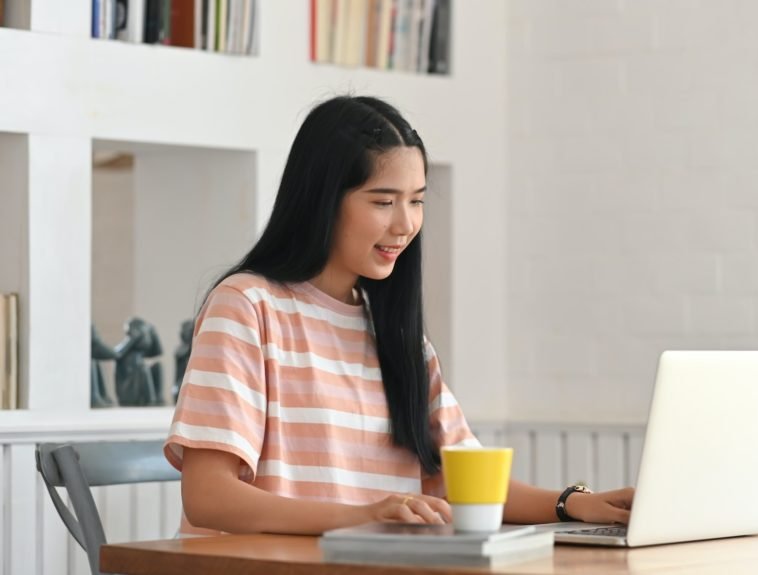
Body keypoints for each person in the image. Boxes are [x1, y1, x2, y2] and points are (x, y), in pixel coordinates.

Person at [164, 95, 634, 535]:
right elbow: (208, 497)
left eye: (417, 200)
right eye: (384, 201)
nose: (405, 224)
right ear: (322, 200)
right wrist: (363, 517)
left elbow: (464, 483)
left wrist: (573, 503)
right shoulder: (247, 306)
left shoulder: (398, 335)